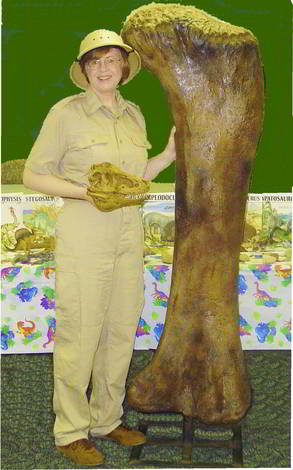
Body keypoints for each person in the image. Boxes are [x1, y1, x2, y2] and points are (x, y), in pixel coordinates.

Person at [23, 29, 176, 467]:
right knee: (80, 334)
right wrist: (82, 192)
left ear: (124, 67)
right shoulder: (66, 114)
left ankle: (106, 419)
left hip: (128, 236)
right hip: (85, 234)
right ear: (84, 70)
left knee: (119, 331)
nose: (104, 68)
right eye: (95, 62)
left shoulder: (134, 115)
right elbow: (35, 174)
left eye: (111, 59)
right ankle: (70, 431)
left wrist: (165, 156)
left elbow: (134, 182)